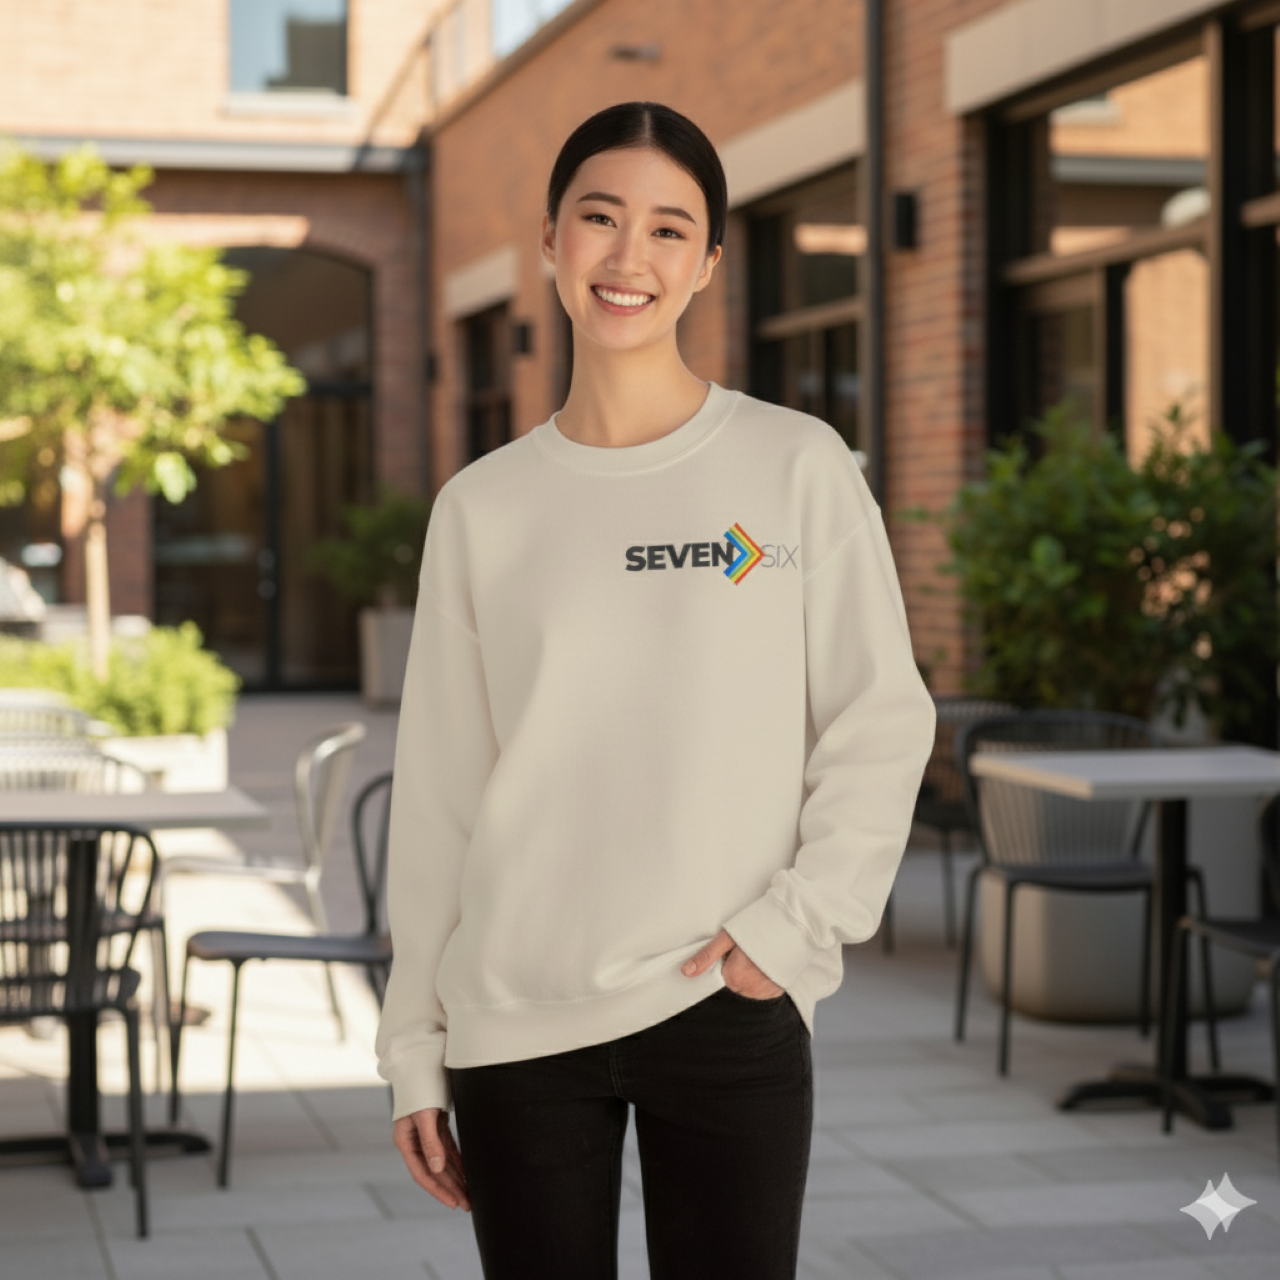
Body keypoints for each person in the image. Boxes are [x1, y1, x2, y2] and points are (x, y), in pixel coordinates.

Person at [376, 100, 936, 1280]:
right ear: (549, 241)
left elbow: (877, 719)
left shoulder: (793, 468)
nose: (629, 257)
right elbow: (437, 793)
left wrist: (789, 931)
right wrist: (413, 1046)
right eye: (599, 218)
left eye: (668, 230)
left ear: (706, 267)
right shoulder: (480, 506)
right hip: (514, 1019)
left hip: (723, 999)